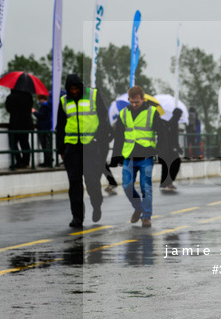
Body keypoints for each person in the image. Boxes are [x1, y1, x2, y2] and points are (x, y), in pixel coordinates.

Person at [56, 74, 109, 228]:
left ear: (81, 86)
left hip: (90, 146)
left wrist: (98, 140)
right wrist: (61, 148)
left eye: (76, 88)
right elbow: (60, 126)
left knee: (92, 181)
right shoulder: (64, 101)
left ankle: (97, 205)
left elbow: (103, 119)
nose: (73, 91)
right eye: (70, 89)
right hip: (72, 148)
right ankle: (77, 217)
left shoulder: (93, 95)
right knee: (74, 183)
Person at [112, 85, 164, 227]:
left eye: (137, 102)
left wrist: (159, 151)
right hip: (129, 155)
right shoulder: (123, 114)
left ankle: (146, 216)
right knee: (127, 186)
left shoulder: (152, 112)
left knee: (146, 187)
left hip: (146, 155)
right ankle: (138, 207)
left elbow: (162, 133)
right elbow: (118, 137)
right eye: (131, 101)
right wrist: (115, 156)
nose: (134, 105)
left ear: (142, 99)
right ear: (128, 99)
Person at [5, 87, 34, 170]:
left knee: (13, 143)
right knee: (25, 143)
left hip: (15, 124)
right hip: (26, 124)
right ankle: (26, 161)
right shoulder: (28, 96)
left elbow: (8, 109)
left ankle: (19, 161)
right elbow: (30, 107)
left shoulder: (11, 97)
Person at [159, 108, 183, 191]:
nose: (181, 116)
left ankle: (165, 183)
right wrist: (176, 147)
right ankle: (168, 183)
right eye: (180, 114)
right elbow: (172, 138)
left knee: (167, 166)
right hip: (169, 149)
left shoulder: (171, 122)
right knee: (174, 164)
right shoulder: (173, 123)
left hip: (167, 149)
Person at [33, 94, 53, 168]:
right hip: (47, 127)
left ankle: (47, 161)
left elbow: (41, 116)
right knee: (47, 145)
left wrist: (34, 112)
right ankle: (48, 160)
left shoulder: (44, 106)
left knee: (45, 145)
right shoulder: (48, 105)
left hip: (43, 128)